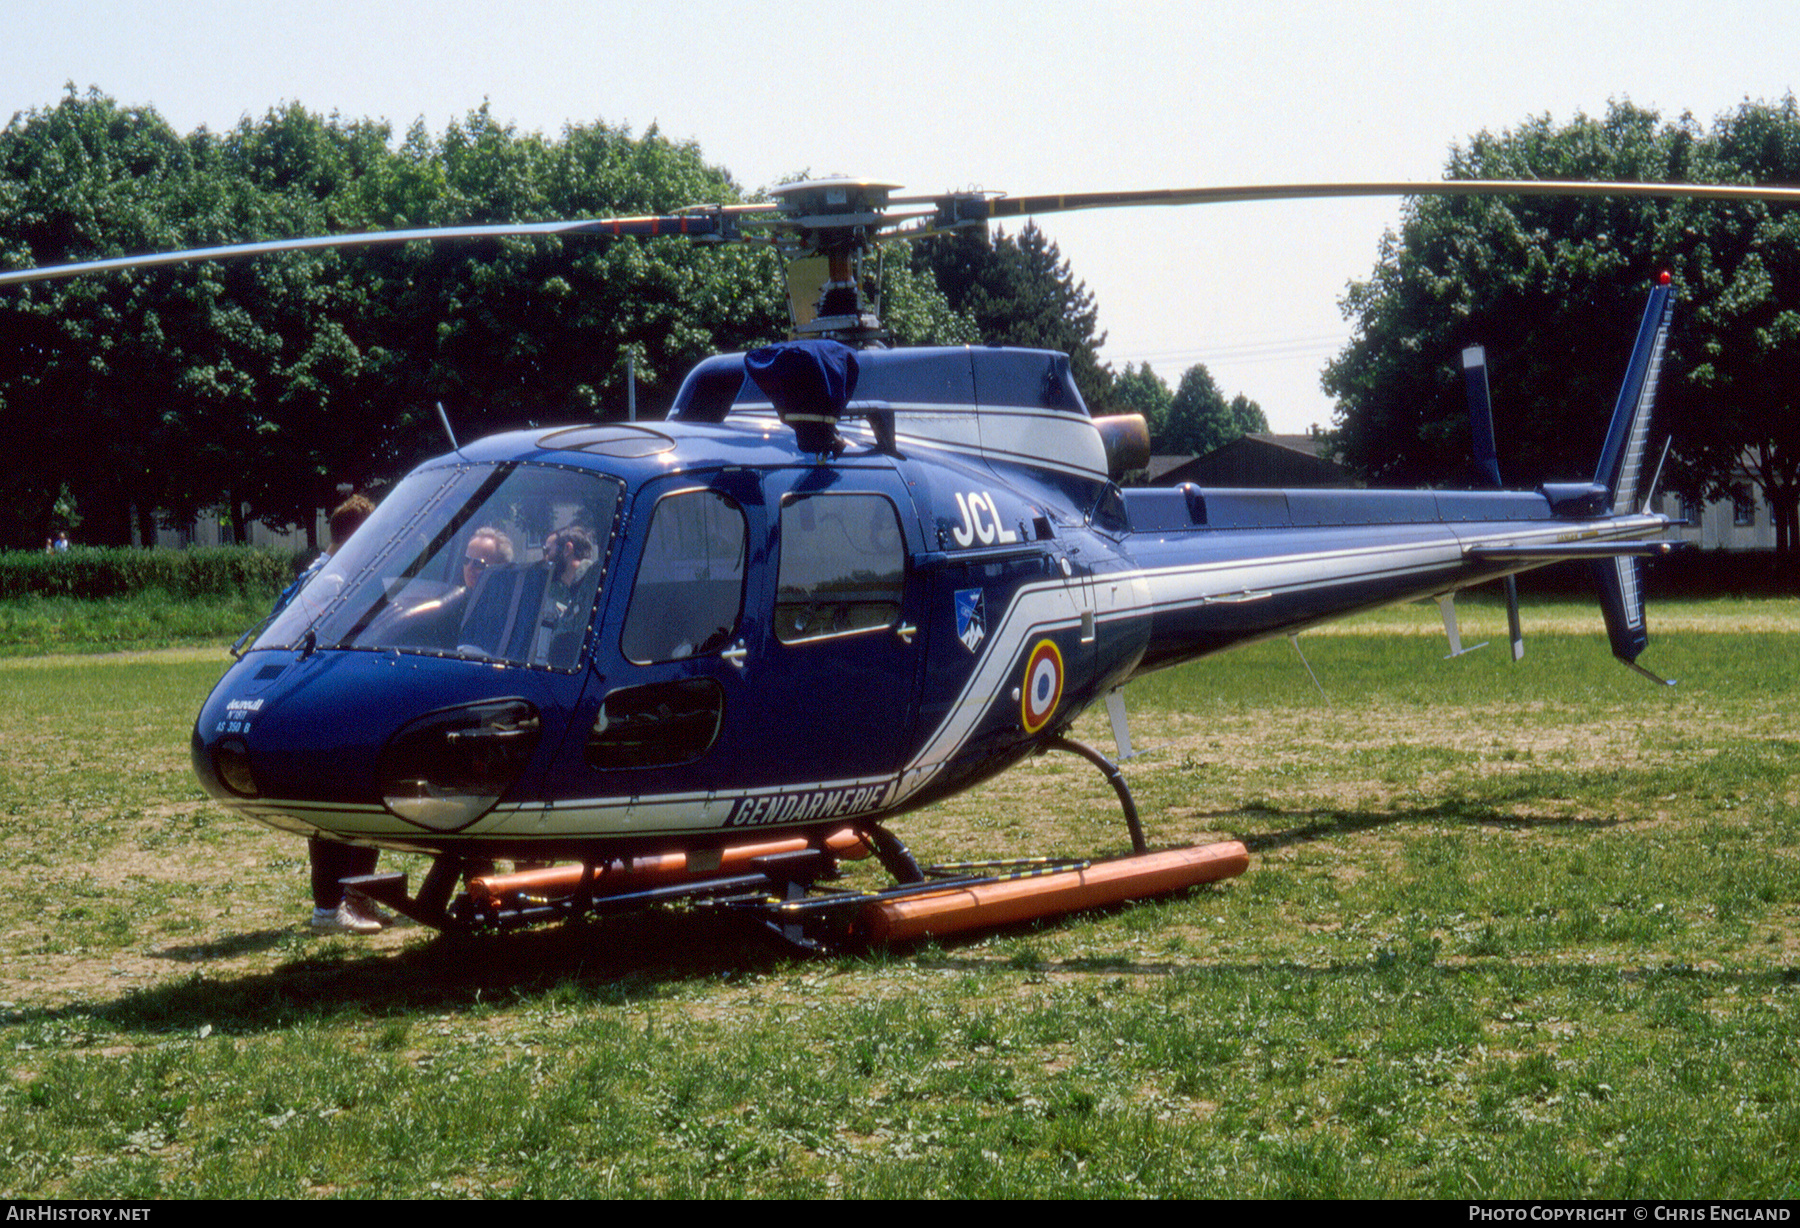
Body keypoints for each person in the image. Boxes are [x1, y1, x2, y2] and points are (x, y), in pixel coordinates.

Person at [281, 494, 390, 936]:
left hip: (336, 699)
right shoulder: (333, 579)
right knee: (335, 806)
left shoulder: (325, 573)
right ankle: (329, 908)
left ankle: (356, 896)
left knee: (363, 799)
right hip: (326, 702)